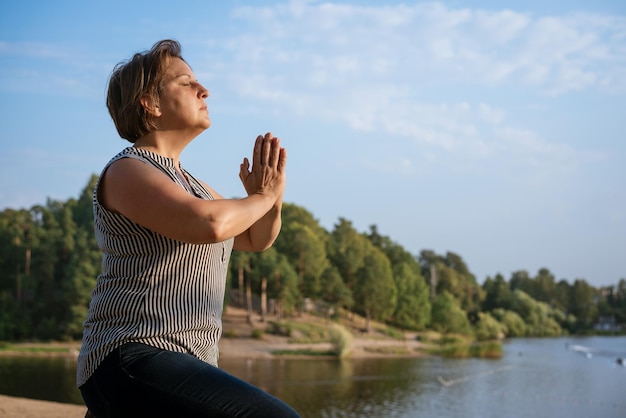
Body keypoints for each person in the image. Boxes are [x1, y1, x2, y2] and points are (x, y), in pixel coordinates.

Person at [76, 39, 300, 418]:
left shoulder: (193, 186)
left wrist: (272, 196)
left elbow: (253, 238)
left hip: (184, 361)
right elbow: (211, 224)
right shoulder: (128, 169)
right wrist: (260, 197)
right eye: (185, 82)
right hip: (131, 355)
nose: (203, 90)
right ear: (150, 102)